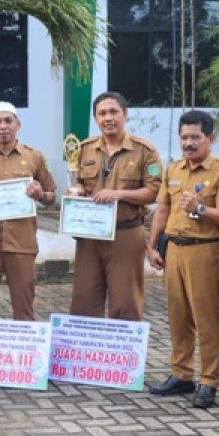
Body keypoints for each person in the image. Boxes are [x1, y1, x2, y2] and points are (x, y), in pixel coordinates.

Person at [146, 109, 219, 409]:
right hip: (175, 250)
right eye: (184, 137)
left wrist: (199, 209)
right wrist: (152, 245)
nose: (188, 143)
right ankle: (182, 374)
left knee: (205, 320)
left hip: (204, 251)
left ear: (210, 138)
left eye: (195, 137)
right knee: (178, 317)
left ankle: (209, 380)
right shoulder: (173, 169)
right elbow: (162, 208)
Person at [68, 91, 163, 320]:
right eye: (102, 113)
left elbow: (155, 191)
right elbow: (78, 182)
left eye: (113, 112)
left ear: (125, 114)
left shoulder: (144, 150)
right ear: (95, 118)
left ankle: (124, 356)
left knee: (125, 304)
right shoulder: (84, 149)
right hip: (89, 236)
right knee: (84, 302)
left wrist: (118, 194)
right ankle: (87, 355)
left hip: (126, 234)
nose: (108, 118)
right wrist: (77, 190)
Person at [0, 102, 57, 321]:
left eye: (8, 121)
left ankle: (25, 352)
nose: (3, 126)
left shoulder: (35, 157)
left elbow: (51, 197)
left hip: (22, 243)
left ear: (18, 124)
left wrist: (40, 195)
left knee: (24, 306)